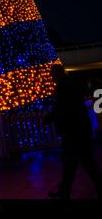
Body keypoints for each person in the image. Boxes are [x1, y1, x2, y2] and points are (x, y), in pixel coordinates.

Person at [46, 64, 102, 199]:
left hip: (72, 132)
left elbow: (62, 107)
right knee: (81, 164)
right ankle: (65, 192)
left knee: (76, 164)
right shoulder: (69, 84)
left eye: (52, 74)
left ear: (57, 73)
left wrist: (50, 117)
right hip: (79, 130)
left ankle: (64, 193)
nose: (51, 77)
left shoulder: (62, 86)